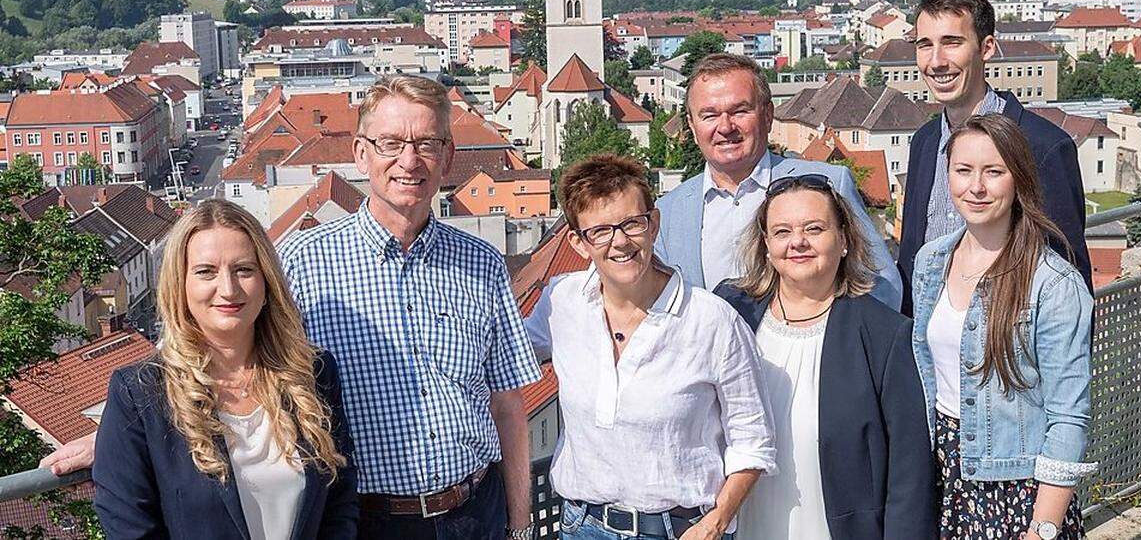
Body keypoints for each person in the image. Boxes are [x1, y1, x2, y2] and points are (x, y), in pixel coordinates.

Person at [278, 75, 543, 540]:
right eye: (391, 143)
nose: (409, 161)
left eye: (426, 144)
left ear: (448, 157)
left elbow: (508, 405)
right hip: (365, 522)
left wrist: (520, 526)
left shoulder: (481, 263)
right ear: (361, 154)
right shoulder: (302, 264)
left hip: (474, 514)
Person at [525, 154, 775, 540]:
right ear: (578, 241)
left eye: (631, 224)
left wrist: (717, 522)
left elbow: (753, 438)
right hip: (583, 526)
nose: (620, 242)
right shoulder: (562, 302)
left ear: (653, 223)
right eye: (601, 231)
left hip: (680, 530)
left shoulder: (711, 320)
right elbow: (502, 356)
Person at [92, 199, 357, 540]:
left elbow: (340, 499)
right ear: (180, 285)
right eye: (206, 272)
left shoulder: (313, 375)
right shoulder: (141, 393)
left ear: (266, 281)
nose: (228, 289)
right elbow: (129, 526)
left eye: (244, 269)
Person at [714, 175, 935, 540]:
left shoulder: (885, 335)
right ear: (766, 244)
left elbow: (909, 475)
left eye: (814, 228)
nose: (797, 242)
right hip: (743, 525)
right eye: (782, 231)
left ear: (844, 239)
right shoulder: (731, 312)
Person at [911, 114, 1094, 540]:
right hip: (944, 475)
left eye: (993, 172)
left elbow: (1068, 416)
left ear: (1018, 181)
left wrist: (1043, 527)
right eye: (963, 170)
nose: (976, 187)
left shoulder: (1052, 283)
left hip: (1018, 490)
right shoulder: (930, 261)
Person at [898, 0, 1091, 316]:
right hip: (930, 350)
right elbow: (911, 257)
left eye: (952, 43)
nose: (936, 61)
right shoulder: (925, 142)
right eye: (924, 45)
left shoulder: (1041, 146)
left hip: (1006, 352)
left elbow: (1070, 282)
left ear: (986, 48)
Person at [655, 53, 902, 311]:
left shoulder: (829, 184)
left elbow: (884, 286)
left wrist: (838, 342)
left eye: (740, 111)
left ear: (768, 115)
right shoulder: (669, 211)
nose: (725, 127)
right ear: (693, 126)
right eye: (709, 115)